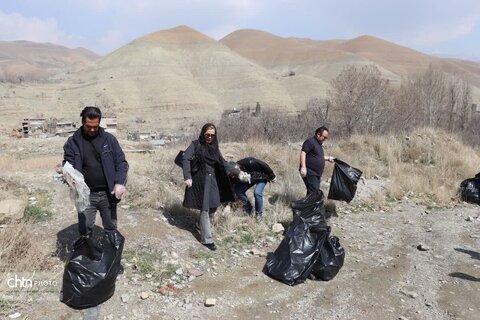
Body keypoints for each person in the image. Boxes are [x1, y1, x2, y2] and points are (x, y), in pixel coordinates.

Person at [57, 106, 129, 237]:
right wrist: (64, 170)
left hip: (108, 193)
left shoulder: (109, 140)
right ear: (83, 122)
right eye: (88, 126)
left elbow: (121, 163)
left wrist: (119, 183)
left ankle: (110, 254)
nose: (91, 129)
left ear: (99, 122)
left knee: (111, 227)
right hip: (85, 194)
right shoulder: (73, 142)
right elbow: (69, 163)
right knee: (85, 229)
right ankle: (88, 255)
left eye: (95, 126)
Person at [182, 123, 237, 251]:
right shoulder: (196, 144)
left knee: (214, 205)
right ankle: (207, 239)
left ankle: (199, 225)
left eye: (212, 135)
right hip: (200, 180)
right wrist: (187, 176)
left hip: (213, 180)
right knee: (205, 209)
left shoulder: (215, 148)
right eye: (207, 134)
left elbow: (223, 163)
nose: (209, 138)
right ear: (203, 133)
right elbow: (186, 158)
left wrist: (239, 172)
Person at [299, 126, 334, 195]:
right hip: (310, 172)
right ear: (318, 134)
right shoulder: (310, 142)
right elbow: (303, 153)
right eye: (324, 137)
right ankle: (314, 205)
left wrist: (328, 158)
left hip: (316, 174)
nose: (325, 139)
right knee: (314, 193)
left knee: (311, 193)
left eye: (326, 137)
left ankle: (306, 205)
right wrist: (303, 167)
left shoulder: (318, 144)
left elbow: (317, 157)